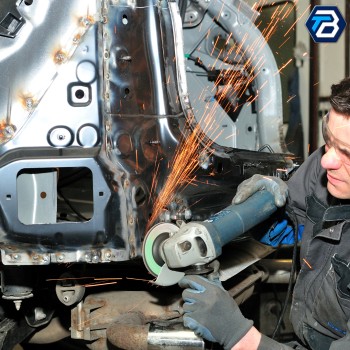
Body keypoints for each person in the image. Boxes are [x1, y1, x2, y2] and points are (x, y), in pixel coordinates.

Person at [179, 77, 350, 350]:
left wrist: (238, 335)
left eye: (347, 153)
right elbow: (290, 216)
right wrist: (259, 207)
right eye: (328, 139)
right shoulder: (327, 165)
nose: (327, 160)